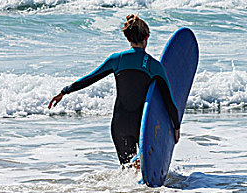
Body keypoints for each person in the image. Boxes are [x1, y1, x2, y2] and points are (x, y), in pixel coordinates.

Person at [48, 14, 180, 169]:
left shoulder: (116, 59)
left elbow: (89, 78)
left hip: (119, 125)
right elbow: (169, 100)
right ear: (146, 38)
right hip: (142, 125)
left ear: (128, 38)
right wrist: (176, 127)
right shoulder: (154, 65)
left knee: (127, 171)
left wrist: (65, 91)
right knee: (143, 170)